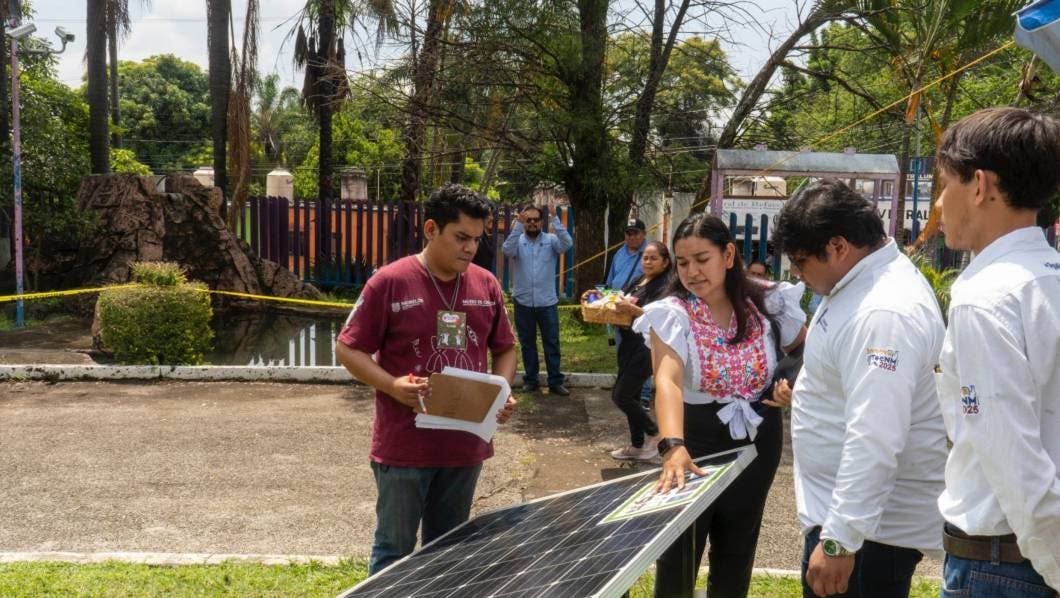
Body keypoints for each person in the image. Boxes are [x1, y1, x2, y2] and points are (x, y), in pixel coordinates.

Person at [773, 179, 948, 598]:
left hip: (867, 537)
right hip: (850, 525)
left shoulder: (883, 311)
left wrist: (839, 540)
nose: (796, 273)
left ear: (837, 247)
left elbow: (876, 435)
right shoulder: (855, 282)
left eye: (799, 261)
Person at [334, 184, 518, 575]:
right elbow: (348, 349)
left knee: (448, 555)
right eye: (461, 237)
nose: (470, 248)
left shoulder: (486, 285)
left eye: (476, 240)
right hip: (404, 448)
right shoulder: (390, 282)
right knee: (393, 553)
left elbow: (505, 348)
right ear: (431, 229)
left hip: (464, 446)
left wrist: (501, 391)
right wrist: (392, 385)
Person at [633, 213, 808, 597]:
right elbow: (667, 380)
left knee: (738, 546)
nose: (692, 272)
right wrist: (672, 445)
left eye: (701, 259)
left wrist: (788, 382)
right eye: (682, 262)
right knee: (679, 548)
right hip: (694, 441)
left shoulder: (767, 302)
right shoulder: (673, 313)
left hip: (759, 440)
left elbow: (803, 348)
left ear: (728, 255)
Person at [933, 107, 1060, 595]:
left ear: (980, 185)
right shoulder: (1047, 277)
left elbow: (1014, 460)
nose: (941, 203)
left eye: (946, 185)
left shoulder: (986, 297)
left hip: (1008, 565)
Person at [608, 241, 671, 461]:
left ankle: (655, 434)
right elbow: (622, 298)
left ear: (665, 262)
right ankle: (637, 446)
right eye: (645, 257)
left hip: (646, 346)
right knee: (631, 395)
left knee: (621, 395)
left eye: (653, 258)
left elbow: (657, 315)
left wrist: (630, 308)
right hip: (627, 343)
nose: (648, 261)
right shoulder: (640, 280)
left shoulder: (665, 286)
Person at [502, 203, 573, 395]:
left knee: (551, 342)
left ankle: (555, 381)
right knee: (527, 343)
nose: (532, 223)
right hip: (523, 302)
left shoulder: (551, 241)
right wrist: (518, 223)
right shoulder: (518, 242)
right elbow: (506, 250)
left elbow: (567, 243)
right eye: (528, 220)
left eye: (535, 220)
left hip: (547, 302)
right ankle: (531, 380)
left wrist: (555, 219)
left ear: (541, 222)